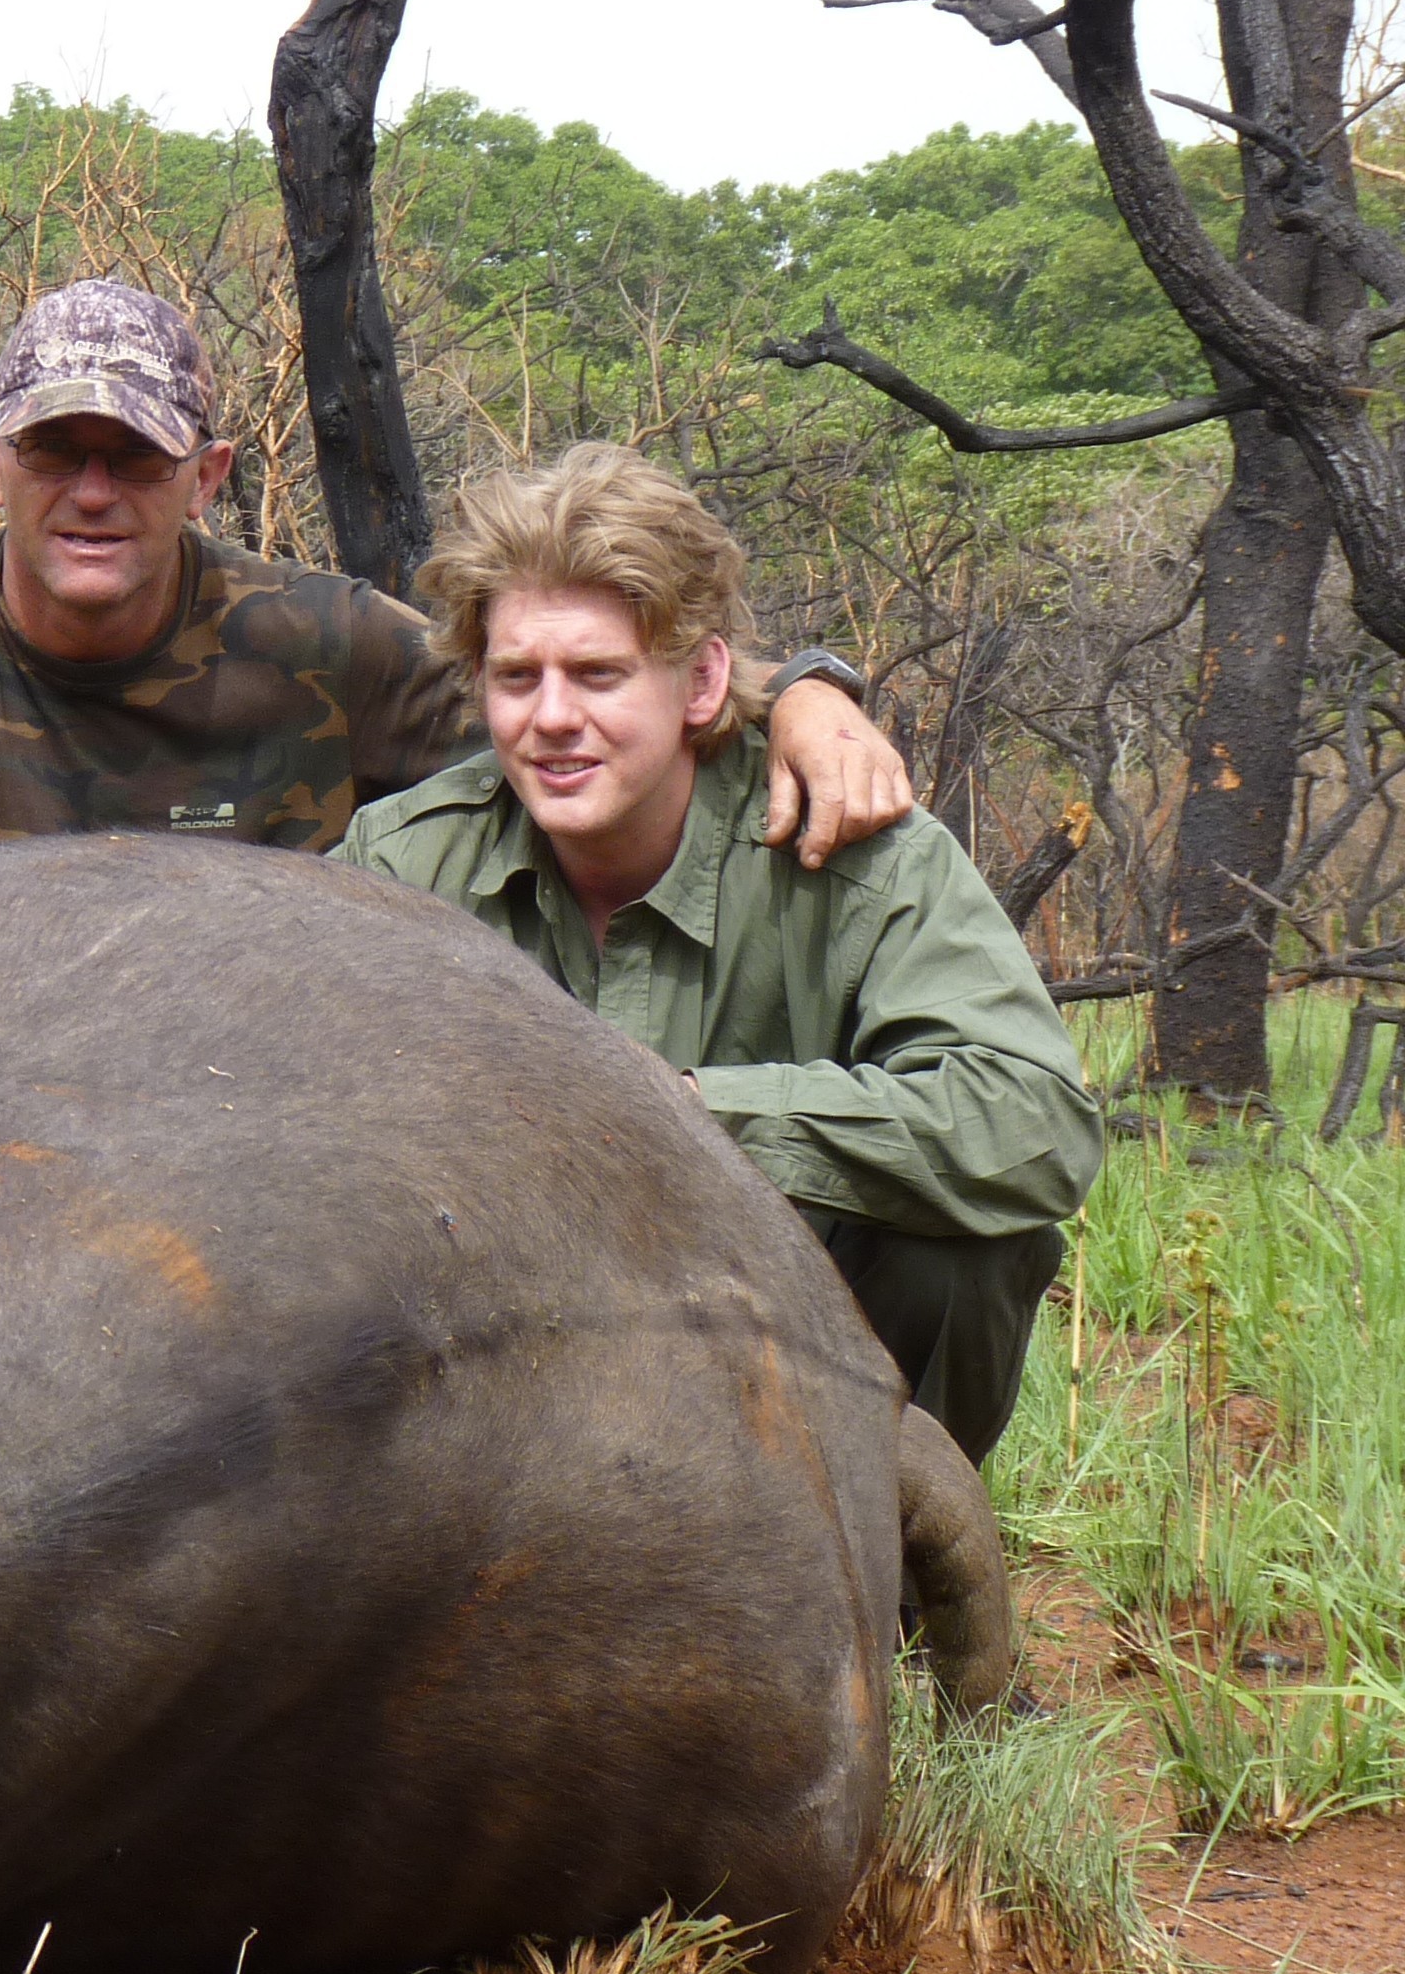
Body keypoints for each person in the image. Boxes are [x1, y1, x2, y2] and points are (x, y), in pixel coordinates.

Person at [342, 443, 1101, 1462]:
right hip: (495, 1360)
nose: (552, 719)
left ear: (700, 681)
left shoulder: (854, 849)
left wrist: (679, 1118)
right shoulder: (401, 859)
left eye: (599, 675)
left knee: (961, 1246)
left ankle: (882, 1584)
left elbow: (1033, 1123)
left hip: (780, 1359)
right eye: (517, 678)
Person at [0, 279, 907, 888]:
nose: (92, 491)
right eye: (55, 451)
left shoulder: (323, 639)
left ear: (206, 477)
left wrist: (803, 693)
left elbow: (582, 703)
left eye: (135, 456)